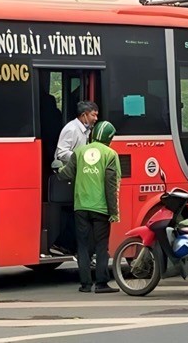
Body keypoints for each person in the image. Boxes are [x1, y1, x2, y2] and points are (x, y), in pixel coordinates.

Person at [57, 121, 121, 294]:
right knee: (101, 246)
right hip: (100, 209)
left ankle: (85, 284)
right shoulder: (110, 154)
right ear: (109, 137)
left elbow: (66, 174)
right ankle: (101, 284)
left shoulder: (79, 152)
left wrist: (57, 169)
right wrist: (114, 212)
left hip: (81, 206)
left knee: (83, 246)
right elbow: (111, 185)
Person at [51, 101, 100, 256]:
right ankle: (63, 245)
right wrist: (80, 157)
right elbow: (61, 152)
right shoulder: (71, 129)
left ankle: (71, 247)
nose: (96, 118)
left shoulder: (85, 130)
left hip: (78, 175)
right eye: (93, 114)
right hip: (69, 176)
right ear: (84, 115)